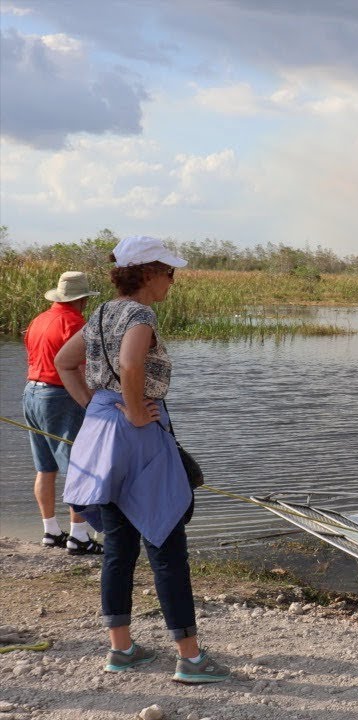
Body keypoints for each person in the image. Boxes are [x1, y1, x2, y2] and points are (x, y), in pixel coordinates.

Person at [55, 236, 230, 684]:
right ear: (149, 273)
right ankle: (190, 659)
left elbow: (64, 360)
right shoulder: (139, 313)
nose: (173, 281)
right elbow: (132, 363)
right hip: (138, 438)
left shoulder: (100, 313)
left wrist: (95, 405)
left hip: (102, 436)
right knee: (166, 543)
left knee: (118, 546)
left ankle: (122, 649)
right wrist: (133, 411)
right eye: (169, 272)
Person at [23, 271, 102, 554]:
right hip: (59, 396)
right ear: (82, 299)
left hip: (31, 393)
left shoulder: (38, 319)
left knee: (45, 467)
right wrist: (93, 402)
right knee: (78, 467)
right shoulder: (76, 323)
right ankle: (78, 536)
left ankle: (50, 531)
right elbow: (81, 367)